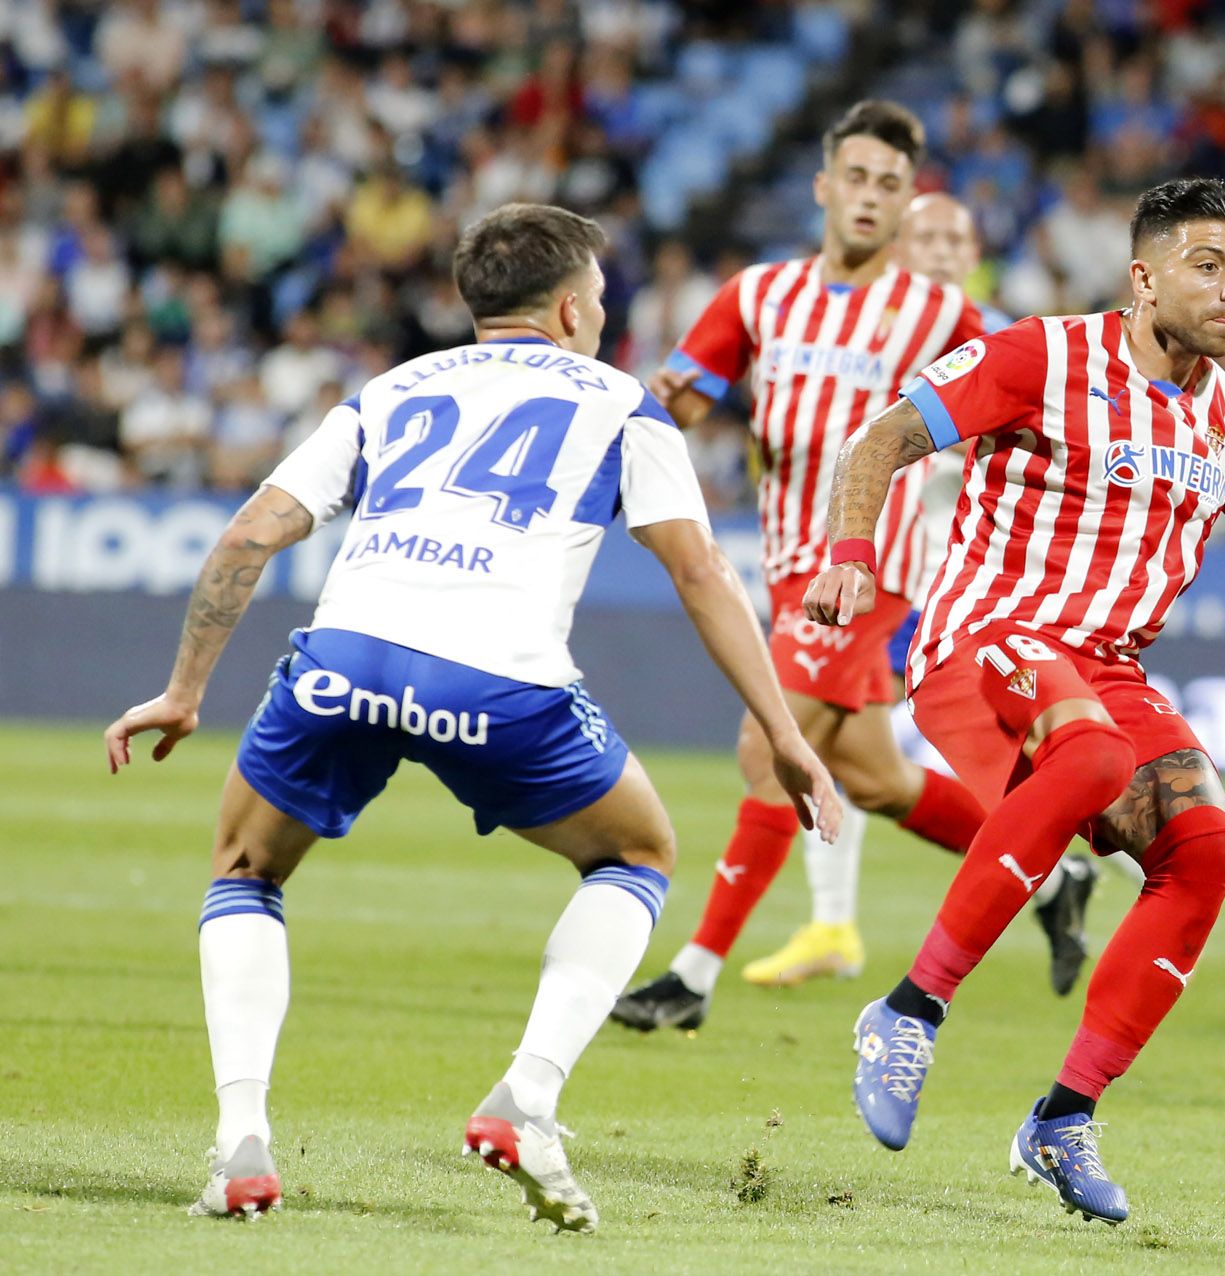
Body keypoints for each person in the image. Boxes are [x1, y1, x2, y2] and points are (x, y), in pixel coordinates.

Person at [103, 203, 838, 1232]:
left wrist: (184, 690)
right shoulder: (623, 405)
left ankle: (240, 1148)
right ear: (575, 306)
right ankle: (525, 1099)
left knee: (245, 871)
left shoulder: (390, 389)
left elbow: (242, 539)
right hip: (498, 683)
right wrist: (787, 733)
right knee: (637, 852)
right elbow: (701, 571)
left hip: (344, 660)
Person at [804, 178, 1225, 1223]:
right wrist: (849, 553)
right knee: (1093, 758)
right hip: (982, 646)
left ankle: (1062, 1116)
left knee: (1207, 844)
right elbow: (880, 439)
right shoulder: (1042, 355)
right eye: (1206, 265)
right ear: (1142, 275)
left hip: (1103, 670)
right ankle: (906, 1010)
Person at [610, 103, 1076, 1032]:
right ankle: (1051, 871)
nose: (869, 198)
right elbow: (689, 399)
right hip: (787, 561)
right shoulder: (757, 296)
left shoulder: (947, 311)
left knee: (764, 747)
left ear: (908, 207)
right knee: (869, 776)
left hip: (872, 570)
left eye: (889, 186)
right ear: (824, 187)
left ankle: (693, 977)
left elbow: (1044, 385)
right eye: (855, 179)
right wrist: (653, 407)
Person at [743, 190, 1110, 998]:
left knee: (804, 741)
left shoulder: (1007, 344)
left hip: (953, 587)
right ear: (899, 246)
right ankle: (1042, 881)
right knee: (858, 765)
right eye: (929, 235)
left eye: (959, 236)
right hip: (891, 573)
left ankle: (763, 944)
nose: (945, 247)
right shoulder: (879, 337)